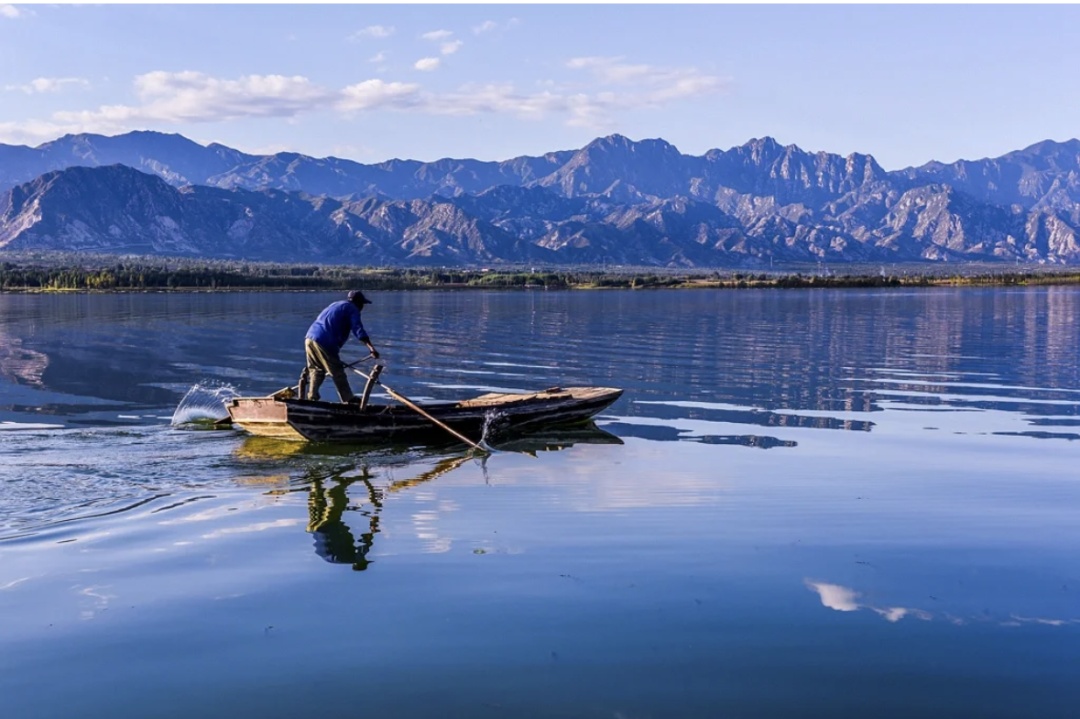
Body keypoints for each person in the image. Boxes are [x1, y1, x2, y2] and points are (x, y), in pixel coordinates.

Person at [298, 290, 379, 403]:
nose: (362, 308)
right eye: (362, 305)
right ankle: (348, 400)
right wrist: (371, 348)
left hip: (310, 338)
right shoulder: (352, 309)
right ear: (358, 303)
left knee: (316, 370)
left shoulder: (336, 304)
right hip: (325, 341)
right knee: (337, 372)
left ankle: (312, 398)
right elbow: (358, 329)